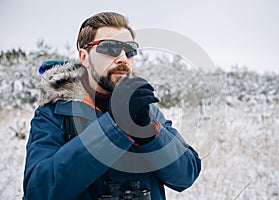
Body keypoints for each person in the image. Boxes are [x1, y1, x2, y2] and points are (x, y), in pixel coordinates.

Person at [23, 12, 201, 200]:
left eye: (130, 50)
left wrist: (150, 134)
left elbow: (186, 175)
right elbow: (38, 191)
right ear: (84, 57)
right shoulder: (54, 114)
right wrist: (113, 127)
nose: (123, 58)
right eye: (110, 48)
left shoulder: (145, 109)